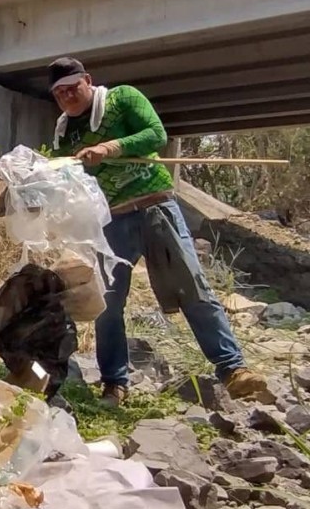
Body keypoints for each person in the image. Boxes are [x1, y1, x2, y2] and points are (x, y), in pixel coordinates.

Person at [48, 56, 267, 406]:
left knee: (192, 285)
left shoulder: (122, 99)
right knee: (108, 303)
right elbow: (71, 180)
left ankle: (232, 369)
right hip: (112, 221)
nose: (68, 97)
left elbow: (156, 134)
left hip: (156, 206)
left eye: (73, 88)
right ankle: (114, 383)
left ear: (87, 80)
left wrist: (110, 148)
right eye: (59, 93)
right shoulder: (63, 131)